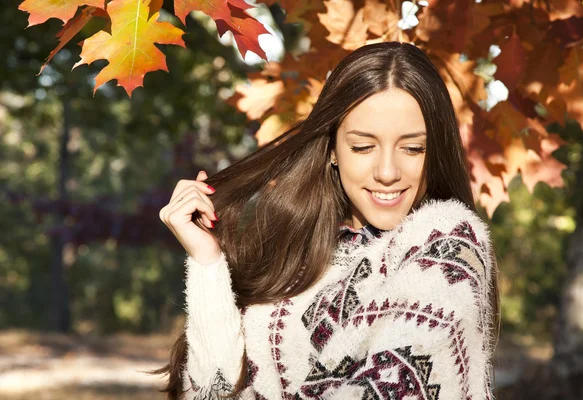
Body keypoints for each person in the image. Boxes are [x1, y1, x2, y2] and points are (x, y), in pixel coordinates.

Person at [154, 42, 500, 399]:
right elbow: (213, 391)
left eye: (413, 148)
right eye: (363, 147)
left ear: (436, 151)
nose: (387, 172)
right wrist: (208, 262)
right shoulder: (290, 252)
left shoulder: (449, 247)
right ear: (333, 149)